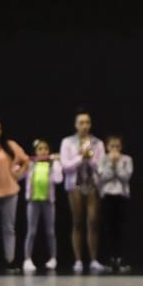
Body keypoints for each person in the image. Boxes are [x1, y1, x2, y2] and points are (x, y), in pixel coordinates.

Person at [60, 109, 106, 274]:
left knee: (93, 222)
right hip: (75, 185)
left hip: (92, 185)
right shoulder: (67, 142)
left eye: (87, 122)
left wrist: (90, 158)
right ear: (75, 124)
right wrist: (80, 157)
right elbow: (65, 166)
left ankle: (94, 259)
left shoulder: (97, 143)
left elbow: (102, 166)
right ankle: (78, 260)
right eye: (81, 123)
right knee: (78, 222)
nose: (85, 126)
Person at [21, 139, 63, 273]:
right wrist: (22, 162)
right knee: (31, 231)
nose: (43, 151)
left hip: (48, 202)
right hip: (33, 201)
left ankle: (53, 258)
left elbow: (58, 179)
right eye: (40, 149)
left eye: (46, 149)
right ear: (35, 152)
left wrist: (56, 162)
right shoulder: (31, 164)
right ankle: (27, 259)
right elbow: (17, 173)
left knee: (50, 232)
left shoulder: (52, 165)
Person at [0, 118, 30, 272]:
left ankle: (10, 260)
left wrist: (19, 175)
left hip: (10, 191)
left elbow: (26, 160)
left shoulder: (10, 146)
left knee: (9, 227)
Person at [96, 135, 133, 273]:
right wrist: (111, 164)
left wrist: (117, 164)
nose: (115, 149)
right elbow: (103, 177)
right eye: (112, 146)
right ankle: (109, 259)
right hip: (107, 195)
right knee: (108, 228)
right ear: (107, 147)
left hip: (121, 195)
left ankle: (120, 258)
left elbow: (125, 177)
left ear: (121, 147)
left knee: (120, 228)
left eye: (117, 146)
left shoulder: (127, 159)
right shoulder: (103, 159)